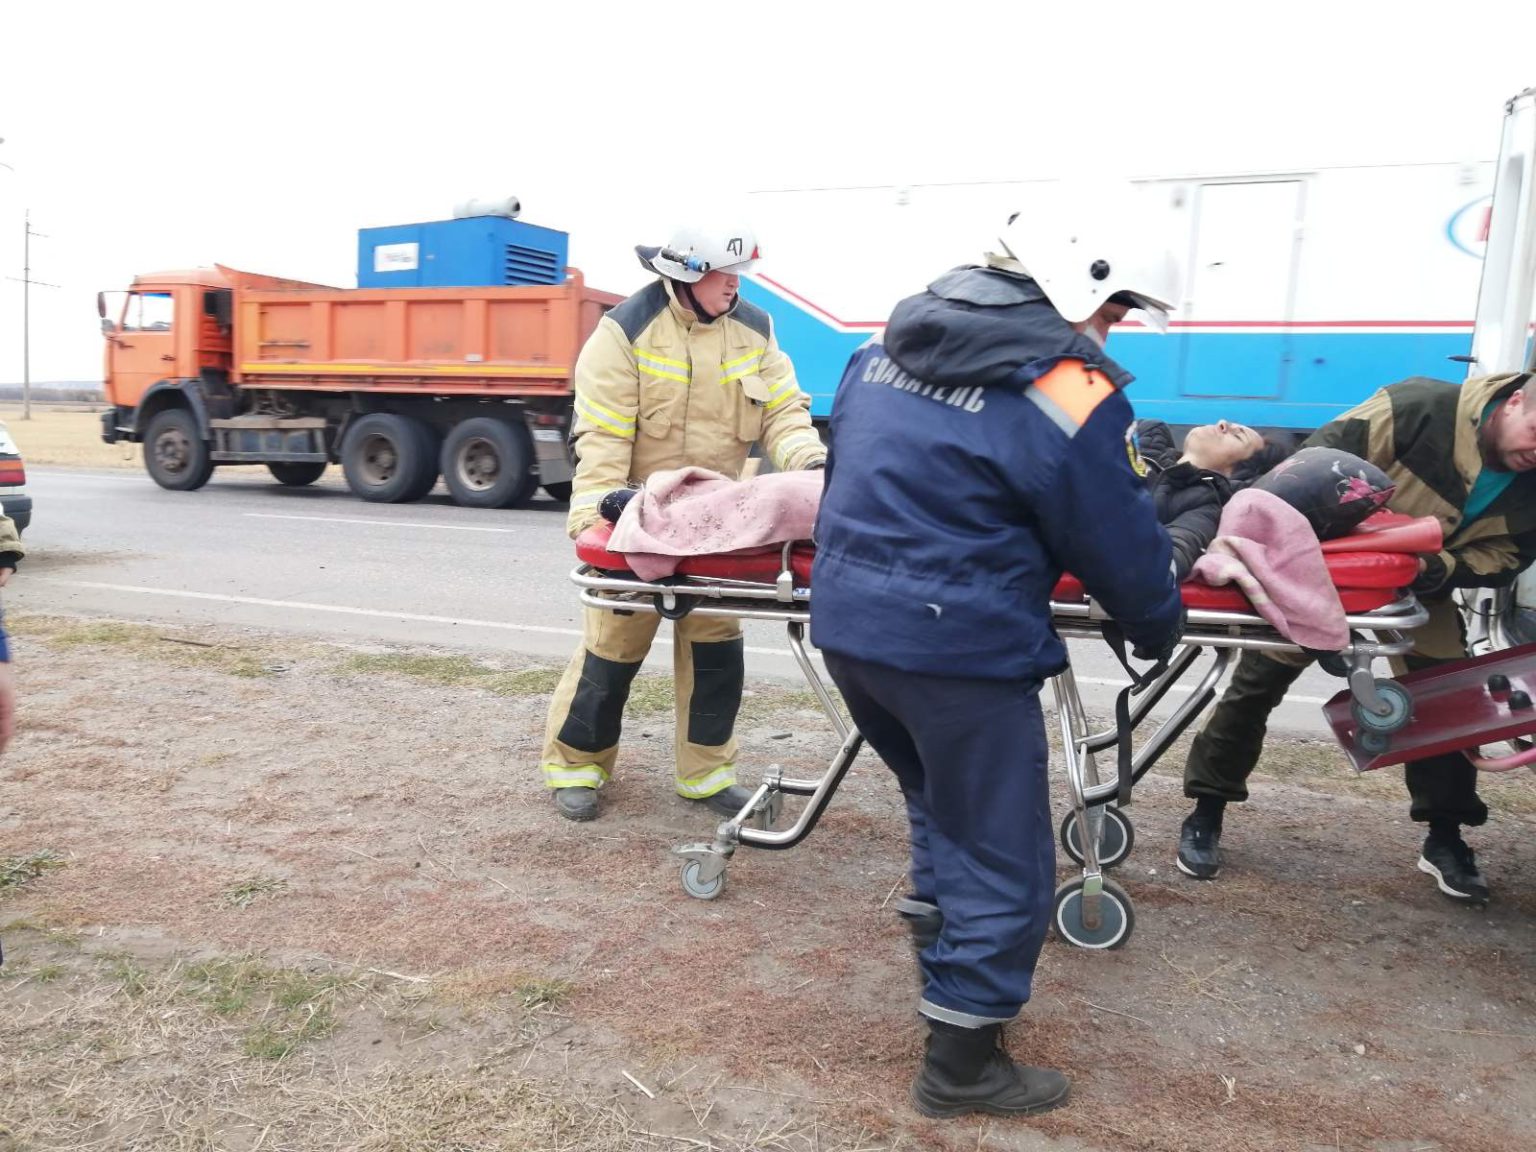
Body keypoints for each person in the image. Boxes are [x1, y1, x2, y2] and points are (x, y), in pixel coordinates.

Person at [809, 196, 1186, 1119]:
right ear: (1072, 285)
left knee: (942, 808)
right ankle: (963, 1063)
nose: (1113, 329)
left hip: (854, 628)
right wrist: (1156, 620)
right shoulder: (1068, 389)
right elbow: (1113, 535)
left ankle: (942, 974)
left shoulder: (883, 347)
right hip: (959, 646)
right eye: (1114, 308)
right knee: (1003, 848)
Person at [1176, 372, 1536, 901]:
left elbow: (1508, 557)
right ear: (1518, 398)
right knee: (1258, 681)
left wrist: (1434, 569)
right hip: (1326, 575)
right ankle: (1206, 811)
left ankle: (1445, 837)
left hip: (1421, 587)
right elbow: (1312, 466)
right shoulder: (1417, 407)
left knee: (1445, 703)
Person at [539, 222, 827, 822]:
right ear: (688, 275)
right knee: (612, 645)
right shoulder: (623, 333)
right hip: (637, 518)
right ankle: (577, 767)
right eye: (726, 274)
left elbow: (783, 412)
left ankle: (708, 774)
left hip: (718, 522)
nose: (735, 286)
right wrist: (596, 527)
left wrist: (816, 464)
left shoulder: (754, 330)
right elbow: (603, 437)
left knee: (716, 648)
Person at [1130, 418, 1268, 580]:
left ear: (1233, 472)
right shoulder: (1147, 438)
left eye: (1238, 436)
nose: (1222, 423)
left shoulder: (1204, 508)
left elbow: (1172, 555)